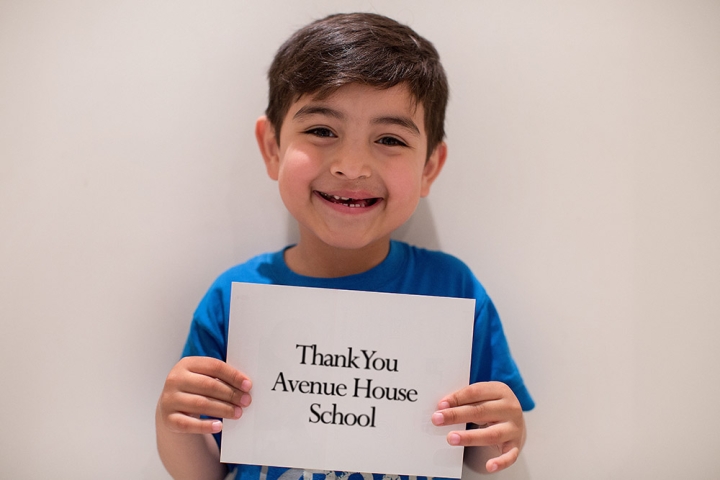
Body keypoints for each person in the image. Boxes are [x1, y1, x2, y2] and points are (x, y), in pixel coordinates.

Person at [156, 12, 534, 480]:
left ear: (430, 168)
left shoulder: (452, 289)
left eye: (390, 139)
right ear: (272, 148)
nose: (351, 165)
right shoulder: (234, 297)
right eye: (321, 131)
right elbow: (204, 474)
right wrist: (175, 423)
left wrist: (501, 427)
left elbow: (478, 455)